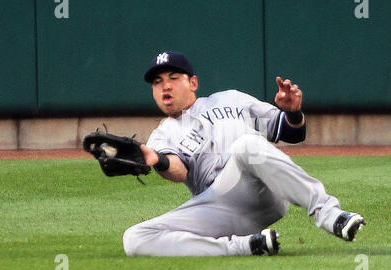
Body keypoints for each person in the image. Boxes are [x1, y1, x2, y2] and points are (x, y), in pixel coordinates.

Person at [122, 51, 366, 257]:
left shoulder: (231, 99)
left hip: (265, 190)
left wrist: (293, 113)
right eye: (157, 81)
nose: (165, 85)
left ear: (193, 83)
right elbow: (178, 170)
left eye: (173, 78)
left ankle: (330, 215)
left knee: (247, 145)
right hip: (220, 207)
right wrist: (158, 160)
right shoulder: (162, 135)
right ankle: (245, 246)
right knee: (134, 238)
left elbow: (291, 133)